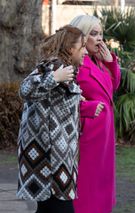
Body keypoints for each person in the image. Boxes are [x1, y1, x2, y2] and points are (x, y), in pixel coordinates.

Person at [17, 25, 87, 213]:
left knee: (49, 209)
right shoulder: (53, 66)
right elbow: (25, 89)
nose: (85, 51)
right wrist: (54, 77)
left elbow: (53, 100)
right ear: (71, 48)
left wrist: (75, 97)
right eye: (82, 47)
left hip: (59, 158)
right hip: (47, 159)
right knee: (61, 209)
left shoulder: (68, 71)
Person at [69, 15, 121, 213]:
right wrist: (87, 109)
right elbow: (62, 99)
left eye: (101, 34)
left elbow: (111, 90)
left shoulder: (97, 61)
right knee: (88, 186)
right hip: (88, 133)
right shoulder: (75, 63)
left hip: (104, 132)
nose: (99, 39)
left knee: (102, 183)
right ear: (81, 37)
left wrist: (110, 63)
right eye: (93, 34)